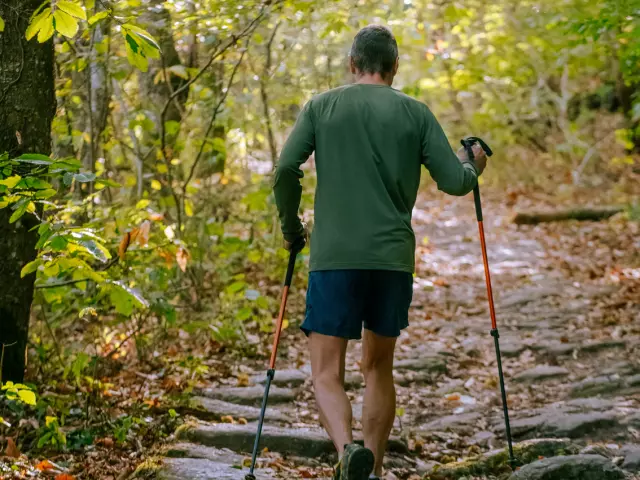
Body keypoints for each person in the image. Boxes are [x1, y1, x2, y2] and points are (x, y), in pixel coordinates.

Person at [273, 24, 487, 480]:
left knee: (326, 371)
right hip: (391, 261)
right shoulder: (416, 112)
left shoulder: (321, 106)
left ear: (353, 64)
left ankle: (347, 450)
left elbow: (286, 168)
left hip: (334, 258)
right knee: (378, 367)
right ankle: (372, 465)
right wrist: (473, 165)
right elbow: (455, 182)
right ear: (394, 68)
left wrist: (292, 229)